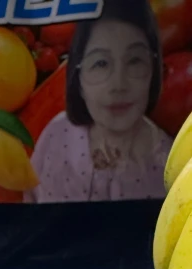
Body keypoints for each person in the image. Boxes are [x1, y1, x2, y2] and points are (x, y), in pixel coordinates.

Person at [26, 0, 171, 202]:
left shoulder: (169, 162)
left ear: (154, 70)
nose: (118, 84)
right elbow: (29, 197)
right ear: (79, 77)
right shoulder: (58, 133)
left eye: (135, 61)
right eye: (101, 63)